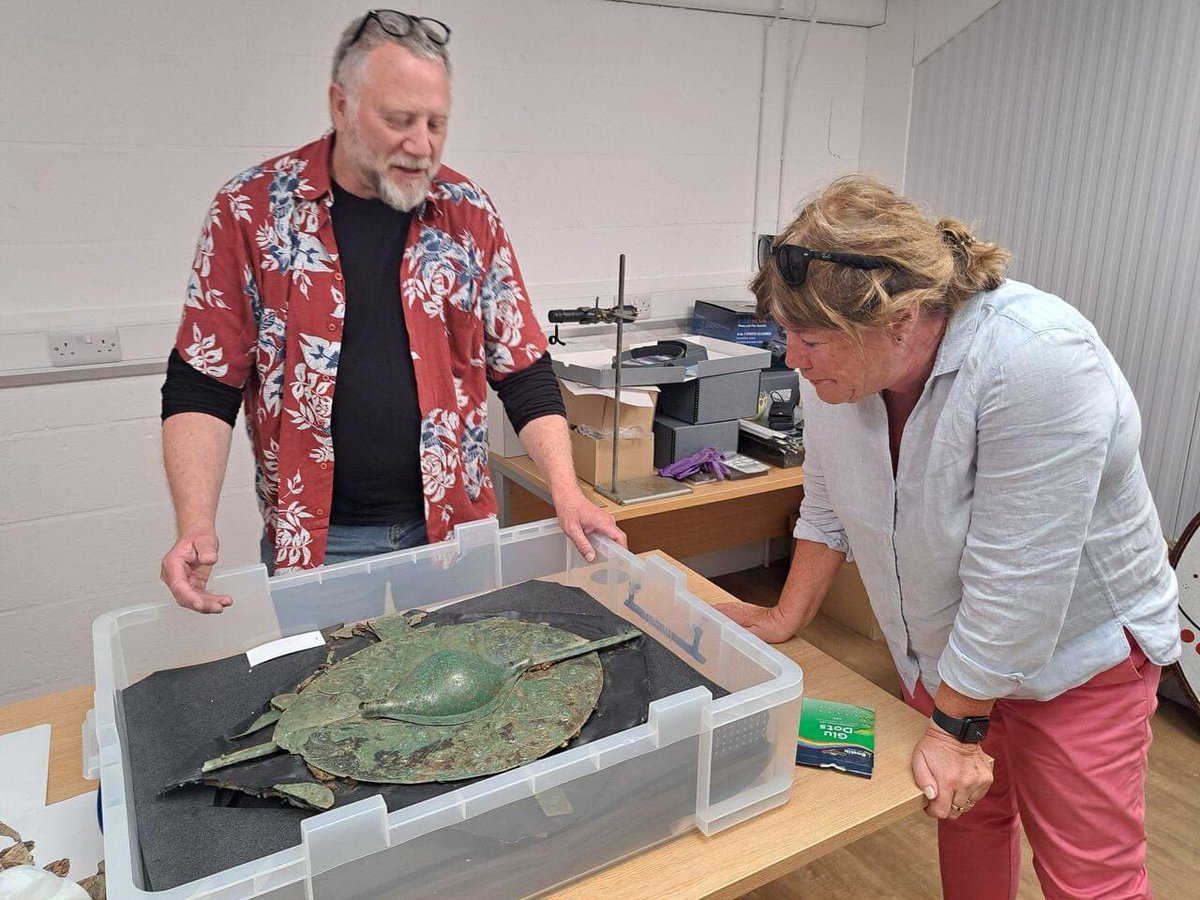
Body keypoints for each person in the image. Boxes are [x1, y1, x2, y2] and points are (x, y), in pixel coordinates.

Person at [718, 175, 1181, 900]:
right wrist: (786, 615)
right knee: (966, 819)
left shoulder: (1038, 360)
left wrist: (954, 731)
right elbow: (828, 504)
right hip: (942, 652)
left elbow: (1018, 586)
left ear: (900, 320)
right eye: (786, 335)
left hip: (1074, 661)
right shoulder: (835, 367)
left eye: (807, 341)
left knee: (1090, 877)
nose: (793, 360)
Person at [160, 10, 622, 614]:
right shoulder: (252, 210)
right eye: (399, 120)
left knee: (462, 675)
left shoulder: (467, 212)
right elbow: (203, 380)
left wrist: (567, 493)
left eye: (436, 123)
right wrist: (195, 523)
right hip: (317, 543)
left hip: (452, 533)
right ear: (341, 105)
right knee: (329, 676)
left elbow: (523, 370)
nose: (421, 144)